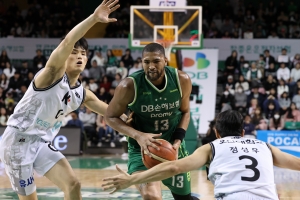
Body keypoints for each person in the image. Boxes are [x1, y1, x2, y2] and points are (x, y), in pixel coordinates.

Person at [0, 1, 122, 199]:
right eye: (74, 53)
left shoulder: (82, 93)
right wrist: (93, 19)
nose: (80, 56)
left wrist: (137, 127)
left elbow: (111, 113)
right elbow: (67, 42)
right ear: (64, 57)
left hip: (41, 142)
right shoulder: (51, 75)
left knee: (73, 185)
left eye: (83, 53)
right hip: (17, 143)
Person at [102, 110, 300, 200]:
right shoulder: (265, 146)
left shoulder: (213, 147)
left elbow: (173, 167)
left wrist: (132, 180)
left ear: (217, 133)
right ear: (242, 132)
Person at [105, 43, 198, 200]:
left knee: (185, 199)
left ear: (165, 61)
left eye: (156, 61)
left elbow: (186, 112)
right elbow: (110, 116)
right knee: (151, 196)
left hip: (172, 147)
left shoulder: (181, 80)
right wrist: (138, 135)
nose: (151, 66)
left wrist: (177, 141)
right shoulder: (129, 85)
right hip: (142, 149)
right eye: (146, 62)